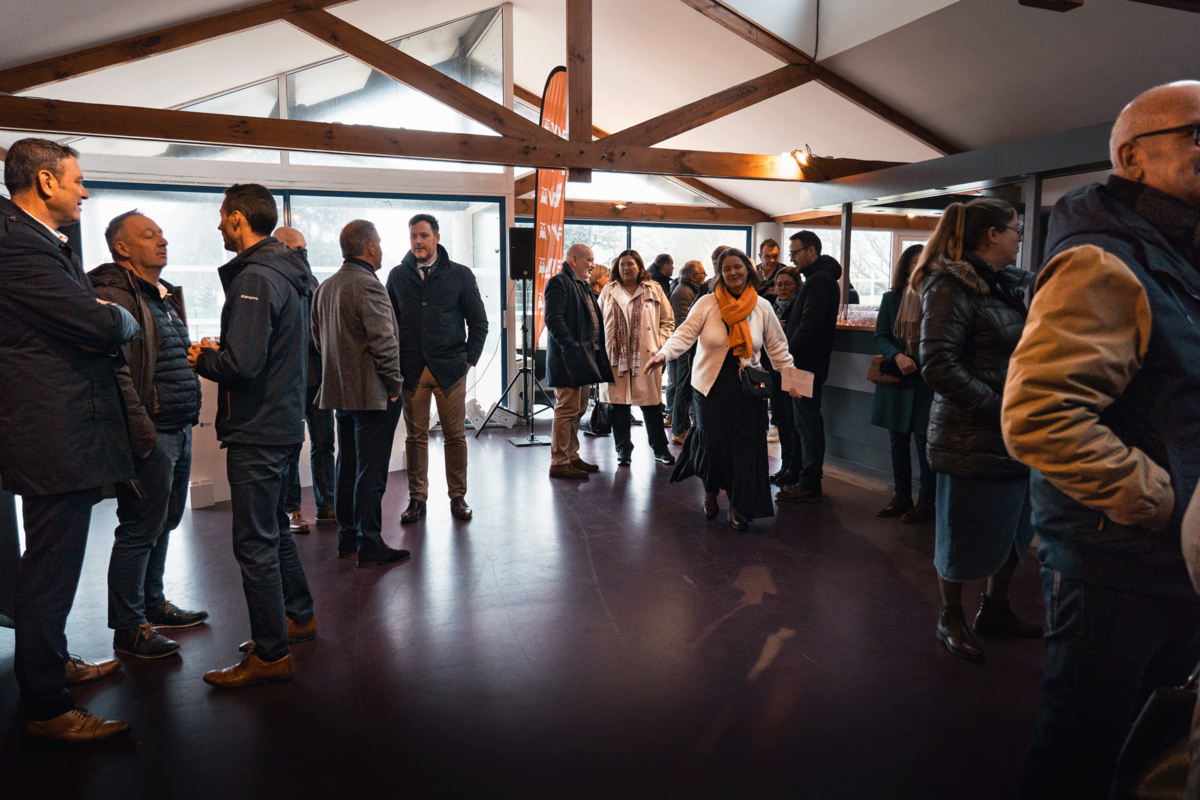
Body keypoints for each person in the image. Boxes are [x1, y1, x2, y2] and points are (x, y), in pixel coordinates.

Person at [1001, 81, 1200, 800]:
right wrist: (1165, 504)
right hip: (1119, 559)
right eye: (1197, 134)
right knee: (1083, 747)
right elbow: (1040, 414)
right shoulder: (1104, 259)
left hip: (1169, 558)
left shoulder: (1172, 251)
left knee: (1157, 739)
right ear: (1132, 158)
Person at [0, 139, 140, 743]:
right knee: (50, 569)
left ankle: (51, 666)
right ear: (45, 182)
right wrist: (120, 317)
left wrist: (102, 315)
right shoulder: (18, 245)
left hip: (56, 429)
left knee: (52, 563)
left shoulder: (36, 240)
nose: (85, 191)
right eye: (77, 180)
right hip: (50, 432)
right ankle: (46, 705)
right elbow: (97, 321)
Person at [190, 183, 316, 688]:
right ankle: (298, 617)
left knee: (254, 543)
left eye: (223, 216)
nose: (219, 225)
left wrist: (205, 359)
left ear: (239, 219)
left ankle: (271, 654)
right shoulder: (286, 272)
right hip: (281, 421)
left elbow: (243, 362)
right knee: (273, 530)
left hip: (258, 427)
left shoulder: (255, 277)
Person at [911, 197, 1040, 665]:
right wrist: (998, 409)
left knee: (1014, 527)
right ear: (992, 234)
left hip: (1014, 432)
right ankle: (950, 617)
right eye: (1015, 229)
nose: (1019, 237)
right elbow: (937, 364)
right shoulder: (951, 285)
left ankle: (995, 608)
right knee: (960, 532)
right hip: (971, 432)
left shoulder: (1005, 284)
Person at [89, 210, 207, 659]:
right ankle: (129, 626)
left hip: (179, 425)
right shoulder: (112, 295)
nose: (163, 241)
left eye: (161, 233)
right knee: (139, 529)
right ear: (122, 247)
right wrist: (141, 431)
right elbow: (116, 372)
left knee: (165, 521)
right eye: (149, 235)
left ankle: (153, 604)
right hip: (152, 431)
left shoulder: (161, 294)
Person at [645, 248, 797, 531]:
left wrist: (792, 380)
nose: (733, 272)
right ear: (720, 274)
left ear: (747, 269)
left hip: (747, 389)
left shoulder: (762, 306)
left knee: (745, 449)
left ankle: (739, 506)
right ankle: (710, 491)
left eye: (737, 267)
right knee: (713, 445)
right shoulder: (707, 303)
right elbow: (684, 334)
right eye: (726, 269)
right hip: (709, 388)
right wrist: (663, 354)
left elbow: (778, 348)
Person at [312, 220, 409, 567]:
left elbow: (318, 341)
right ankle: (370, 545)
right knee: (372, 472)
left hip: (341, 395)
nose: (381, 249)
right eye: (379, 243)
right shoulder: (368, 285)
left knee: (347, 467)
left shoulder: (325, 287)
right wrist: (394, 387)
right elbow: (384, 343)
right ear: (369, 247)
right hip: (373, 396)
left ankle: (347, 539)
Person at [385, 213, 488, 523]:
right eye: (413, 236)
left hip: (451, 370)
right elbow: (388, 324)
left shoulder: (460, 274)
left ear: (437, 238)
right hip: (411, 370)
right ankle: (417, 498)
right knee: (415, 437)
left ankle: (458, 496)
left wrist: (469, 359)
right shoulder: (397, 276)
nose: (418, 241)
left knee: (454, 436)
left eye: (424, 235)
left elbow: (479, 322)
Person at [274, 226, 336, 535]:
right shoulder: (272, 284)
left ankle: (328, 504)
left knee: (325, 443)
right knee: (290, 447)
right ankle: (292, 508)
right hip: (287, 381)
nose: (302, 255)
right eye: (295, 249)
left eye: (304, 249)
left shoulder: (312, 282)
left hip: (317, 377)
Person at [870, 245, 936, 524]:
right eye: (914, 261)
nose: (919, 265)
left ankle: (926, 502)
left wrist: (916, 360)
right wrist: (898, 356)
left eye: (925, 260)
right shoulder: (891, 298)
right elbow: (881, 336)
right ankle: (901, 496)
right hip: (896, 378)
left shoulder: (939, 296)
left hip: (926, 380)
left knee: (924, 442)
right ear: (906, 267)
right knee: (897, 441)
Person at [777, 230, 842, 504]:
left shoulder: (819, 281)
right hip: (802, 363)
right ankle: (802, 476)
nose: (792, 258)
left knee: (807, 424)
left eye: (795, 253)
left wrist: (786, 354)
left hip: (805, 365)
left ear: (812, 251)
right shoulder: (818, 279)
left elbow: (809, 326)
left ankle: (809, 482)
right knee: (803, 422)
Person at [597, 249, 676, 467]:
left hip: (647, 356)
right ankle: (623, 450)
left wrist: (659, 342)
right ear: (617, 268)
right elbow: (598, 323)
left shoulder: (654, 288)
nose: (626, 268)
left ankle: (660, 449)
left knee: (651, 405)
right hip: (616, 358)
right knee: (619, 406)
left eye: (630, 264)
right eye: (622, 264)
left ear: (639, 267)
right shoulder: (608, 290)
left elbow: (668, 321)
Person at [545, 244, 615, 479]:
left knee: (578, 409)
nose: (593, 265)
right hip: (569, 361)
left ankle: (571, 455)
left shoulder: (581, 284)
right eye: (589, 260)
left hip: (583, 359)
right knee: (567, 409)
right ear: (574, 259)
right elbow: (553, 320)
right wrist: (572, 348)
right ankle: (559, 461)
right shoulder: (559, 282)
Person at [767, 266, 802, 485]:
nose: (782, 288)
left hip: (792, 369)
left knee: (793, 420)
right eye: (779, 284)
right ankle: (785, 464)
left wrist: (779, 331)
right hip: (773, 371)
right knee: (780, 418)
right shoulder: (771, 306)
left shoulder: (799, 306)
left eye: (787, 284)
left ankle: (794, 467)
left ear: (797, 286)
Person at [668, 260, 707, 444]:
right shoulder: (682, 293)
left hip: (689, 347)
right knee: (682, 388)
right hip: (686, 348)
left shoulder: (689, 290)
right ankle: (678, 430)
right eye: (702, 274)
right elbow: (683, 324)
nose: (705, 277)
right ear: (693, 276)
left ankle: (682, 428)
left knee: (684, 388)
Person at [756, 238, 782, 303]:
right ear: (760, 256)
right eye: (767, 257)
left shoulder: (785, 273)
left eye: (775, 256)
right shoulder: (752, 273)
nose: (772, 260)